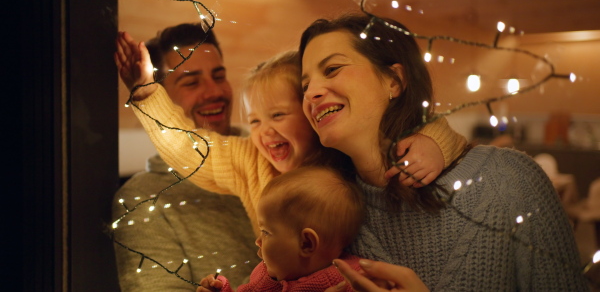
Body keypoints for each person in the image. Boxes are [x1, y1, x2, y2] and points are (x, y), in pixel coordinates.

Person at [298, 13, 588, 291]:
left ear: (394, 81)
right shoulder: (324, 219)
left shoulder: (510, 181)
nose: (311, 93)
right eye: (305, 85)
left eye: (332, 69)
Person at [115, 30, 467, 238]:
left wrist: (433, 144)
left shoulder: (342, 150)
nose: (265, 132)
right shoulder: (250, 161)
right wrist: (145, 89)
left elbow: (415, 129)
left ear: (312, 114)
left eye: (278, 115)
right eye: (254, 122)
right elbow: (188, 148)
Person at [112, 24, 260, 291]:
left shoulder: (268, 157)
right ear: (162, 95)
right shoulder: (144, 200)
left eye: (219, 76)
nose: (214, 92)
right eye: (191, 82)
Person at [197, 166, 364, 292]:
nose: (258, 241)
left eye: (266, 232)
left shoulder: (350, 280)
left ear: (306, 243)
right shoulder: (265, 276)